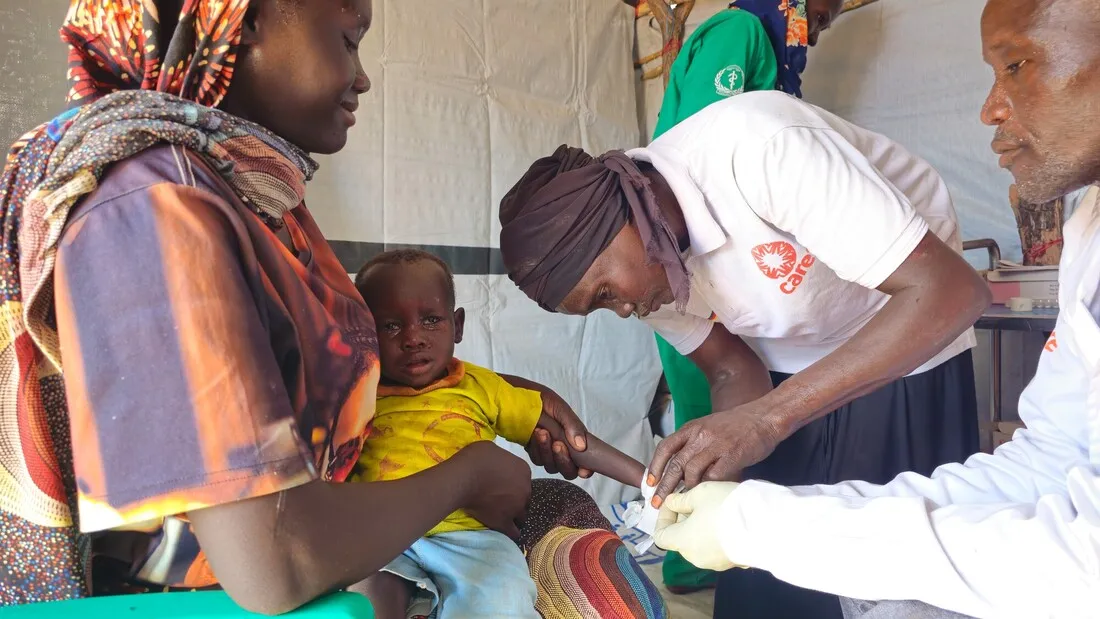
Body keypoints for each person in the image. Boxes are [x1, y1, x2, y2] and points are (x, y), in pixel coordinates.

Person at [0, 2, 666, 615]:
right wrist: (468, 474)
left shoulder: (251, 196)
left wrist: (497, 393)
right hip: (215, 591)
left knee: (583, 541)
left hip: (349, 548)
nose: (363, 77)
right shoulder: (156, 208)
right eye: (349, 39)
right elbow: (275, 565)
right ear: (248, 18)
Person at [649, 0, 1100, 617]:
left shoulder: (755, 130)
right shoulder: (1090, 226)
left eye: (1016, 64)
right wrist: (795, 519)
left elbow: (1082, 564)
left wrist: (769, 524)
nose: (990, 108)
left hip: (893, 344)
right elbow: (1050, 462)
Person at [498, 87, 991, 617]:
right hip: (786, 373)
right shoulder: (650, 256)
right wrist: (710, 479)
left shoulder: (759, 148)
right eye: (598, 308)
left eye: (604, 293)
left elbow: (950, 291)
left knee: (882, 575)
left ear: (618, 220)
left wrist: (766, 421)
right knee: (762, 584)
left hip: (902, 346)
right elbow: (732, 366)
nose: (621, 311)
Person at [651, 0, 844, 595]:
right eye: (825, 4)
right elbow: (717, 143)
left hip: (722, 273)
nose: (828, 16)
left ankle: (716, 554)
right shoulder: (737, 31)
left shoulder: (764, 48)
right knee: (709, 417)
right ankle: (693, 558)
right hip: (697, 276)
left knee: (725, 417)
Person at [349, 250, 647, 619]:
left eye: (430, 320)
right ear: (363, 330)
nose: (413, 338)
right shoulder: (354, 393)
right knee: (366, 601)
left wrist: (647, 481)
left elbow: (571, 438)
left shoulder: (482, 388)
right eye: (390, 325)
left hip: (472, 539)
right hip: (384, 536)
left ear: (457, 326)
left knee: (504, 599)